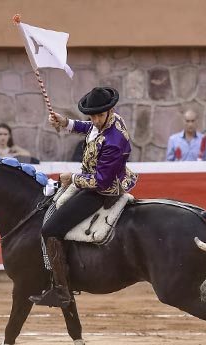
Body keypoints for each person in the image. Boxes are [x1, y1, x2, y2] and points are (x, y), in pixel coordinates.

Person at [29, 87, 138, 307]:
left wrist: (73, 178)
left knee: (50, 229)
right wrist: (66, 123)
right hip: (94, 180)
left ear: (110, 110)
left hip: (101, 191)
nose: (96, 120)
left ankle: (61, 291)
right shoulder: (109, 121)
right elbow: (91, 129)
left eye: (99, 115)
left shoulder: (115, 140)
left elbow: (101, 182)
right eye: (93, 115)